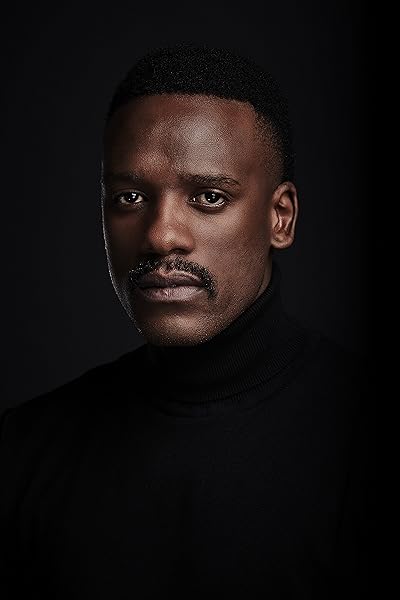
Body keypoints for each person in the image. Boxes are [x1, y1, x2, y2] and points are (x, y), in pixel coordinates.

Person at [0, 44, 373, 599]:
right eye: (130, 197)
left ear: (280, 217)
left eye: (208, 197)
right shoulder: (24, 451)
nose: (160, 235)